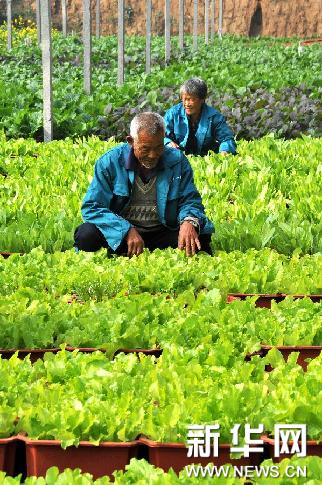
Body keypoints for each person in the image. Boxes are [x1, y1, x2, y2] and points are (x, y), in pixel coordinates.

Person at [74, 112, 214, 258]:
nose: (153, 155)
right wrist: (125, 230)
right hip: (123, 234)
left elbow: (190, 200)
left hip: (162, 230)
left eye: (159, 147)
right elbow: (92, 207)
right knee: (86, 236)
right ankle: (127, 247)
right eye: (145, 149)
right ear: (131, 141)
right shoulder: (109, 162)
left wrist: (189, 221)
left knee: (200, 236)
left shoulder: (178, 161)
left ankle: (127, 253)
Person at [164, 78, 236, 156]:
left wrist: (224, 150)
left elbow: (227, 139)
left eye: (191, 99)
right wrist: (168, 143)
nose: (187, 104)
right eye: (184, 99)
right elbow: (160, 136)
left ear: (202, 99)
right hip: (179, 158)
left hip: (206, 158)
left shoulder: (214, 117)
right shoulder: (173, 114)